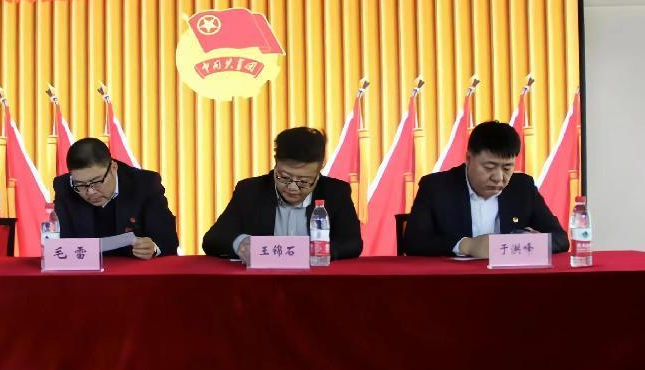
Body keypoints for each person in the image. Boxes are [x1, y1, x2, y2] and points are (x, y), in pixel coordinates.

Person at [404, 120, 569, 257]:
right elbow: (413, 242)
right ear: (469, 158)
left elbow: (560, 239)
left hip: (510, 280)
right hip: (456, 281)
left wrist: (531, 243)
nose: (498, 177)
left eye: (507, 168)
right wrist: (466, 245)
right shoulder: (436, 187)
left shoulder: (522, 187)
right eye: (489, 167)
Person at [202, 127, 363, 261]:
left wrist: (320, 251)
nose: (292, 187)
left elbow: (353, 243)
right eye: (284, 177)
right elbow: (213, 239)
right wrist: (240, 243)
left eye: (304, 181)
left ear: (321, 166)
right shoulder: (250, 191)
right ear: (276, 161)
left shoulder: (336, 193)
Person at [52, 138, 179, 259]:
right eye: (80, 185)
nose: (90, 192)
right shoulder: (64, 187)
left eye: (97, 182)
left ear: (113, 167)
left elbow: (168, 239)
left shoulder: (144, 184)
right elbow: (61, 244)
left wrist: (154, 248)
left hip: (135, 268)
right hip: (88, 270)